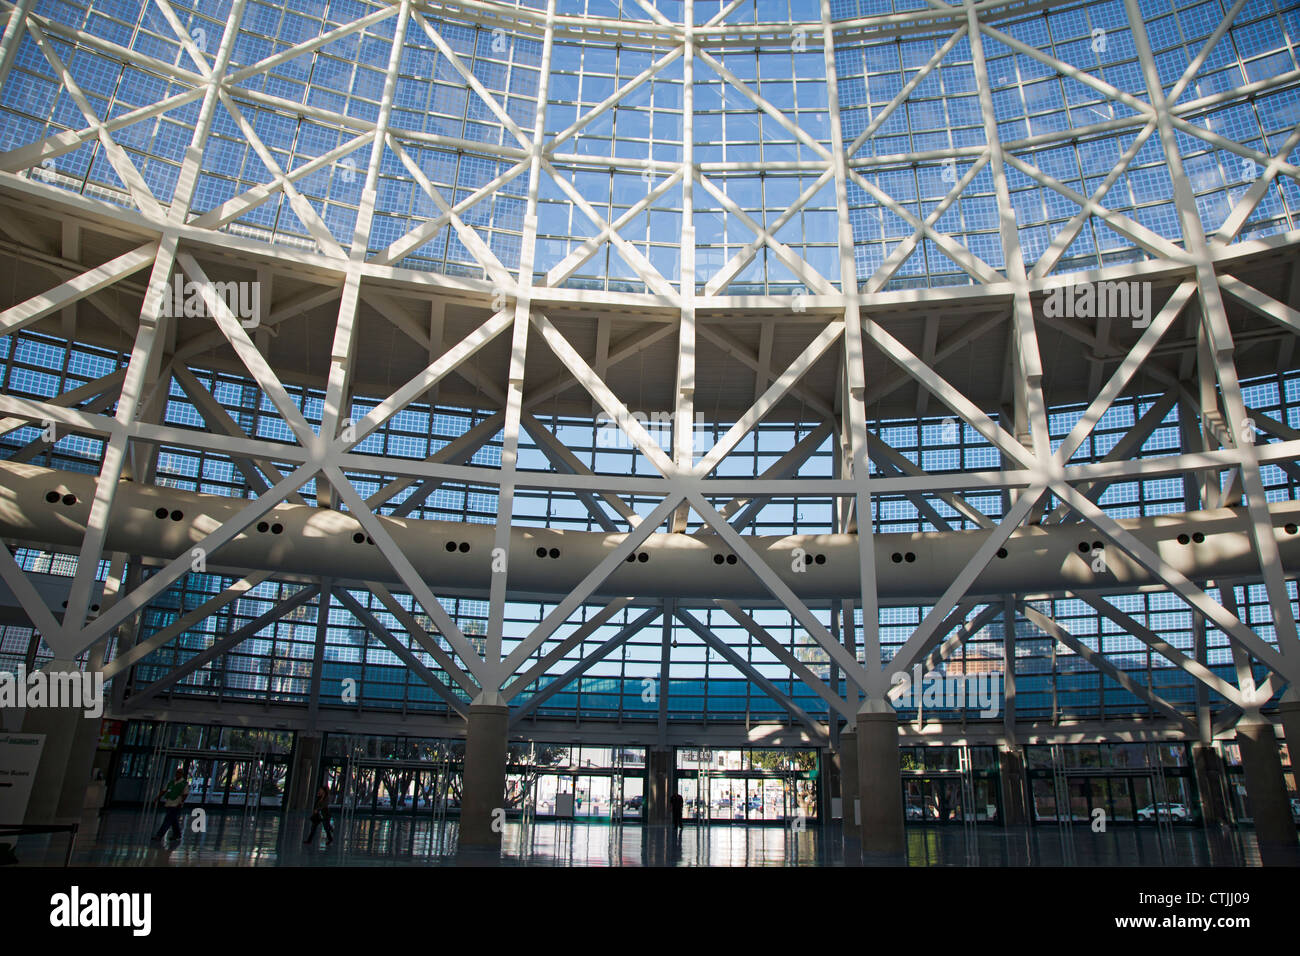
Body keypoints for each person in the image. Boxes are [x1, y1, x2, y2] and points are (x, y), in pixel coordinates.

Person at [151, 767, 190, 843]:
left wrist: (181, 803)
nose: (177, 774)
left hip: (176, 805)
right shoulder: (171, 782)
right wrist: (157, 798)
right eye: (177, 773)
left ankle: (159, 835)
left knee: (167, 820)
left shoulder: (184, 784)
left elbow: (185, 794)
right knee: (173, 820)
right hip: (169, 803)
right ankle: (177, 834)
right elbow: (164, 791)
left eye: (179, 773)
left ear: (182, 774)